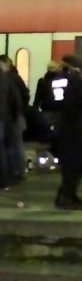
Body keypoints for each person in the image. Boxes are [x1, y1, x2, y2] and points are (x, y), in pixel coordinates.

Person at [49, 55, 82, 210]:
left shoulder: (56, 80)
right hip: (75, 126)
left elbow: (52, 101)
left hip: (63, 125)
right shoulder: (74, 81)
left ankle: (69, 194)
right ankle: (65, 195)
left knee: (70, 164)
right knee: (76, 164)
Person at [0, 56, 28, 188]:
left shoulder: (10, 78)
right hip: (8, 118)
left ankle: (9, 176)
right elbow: (17, 99)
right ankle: (11, 176)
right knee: (9, 147)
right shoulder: (8, 79)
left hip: (8, 118)